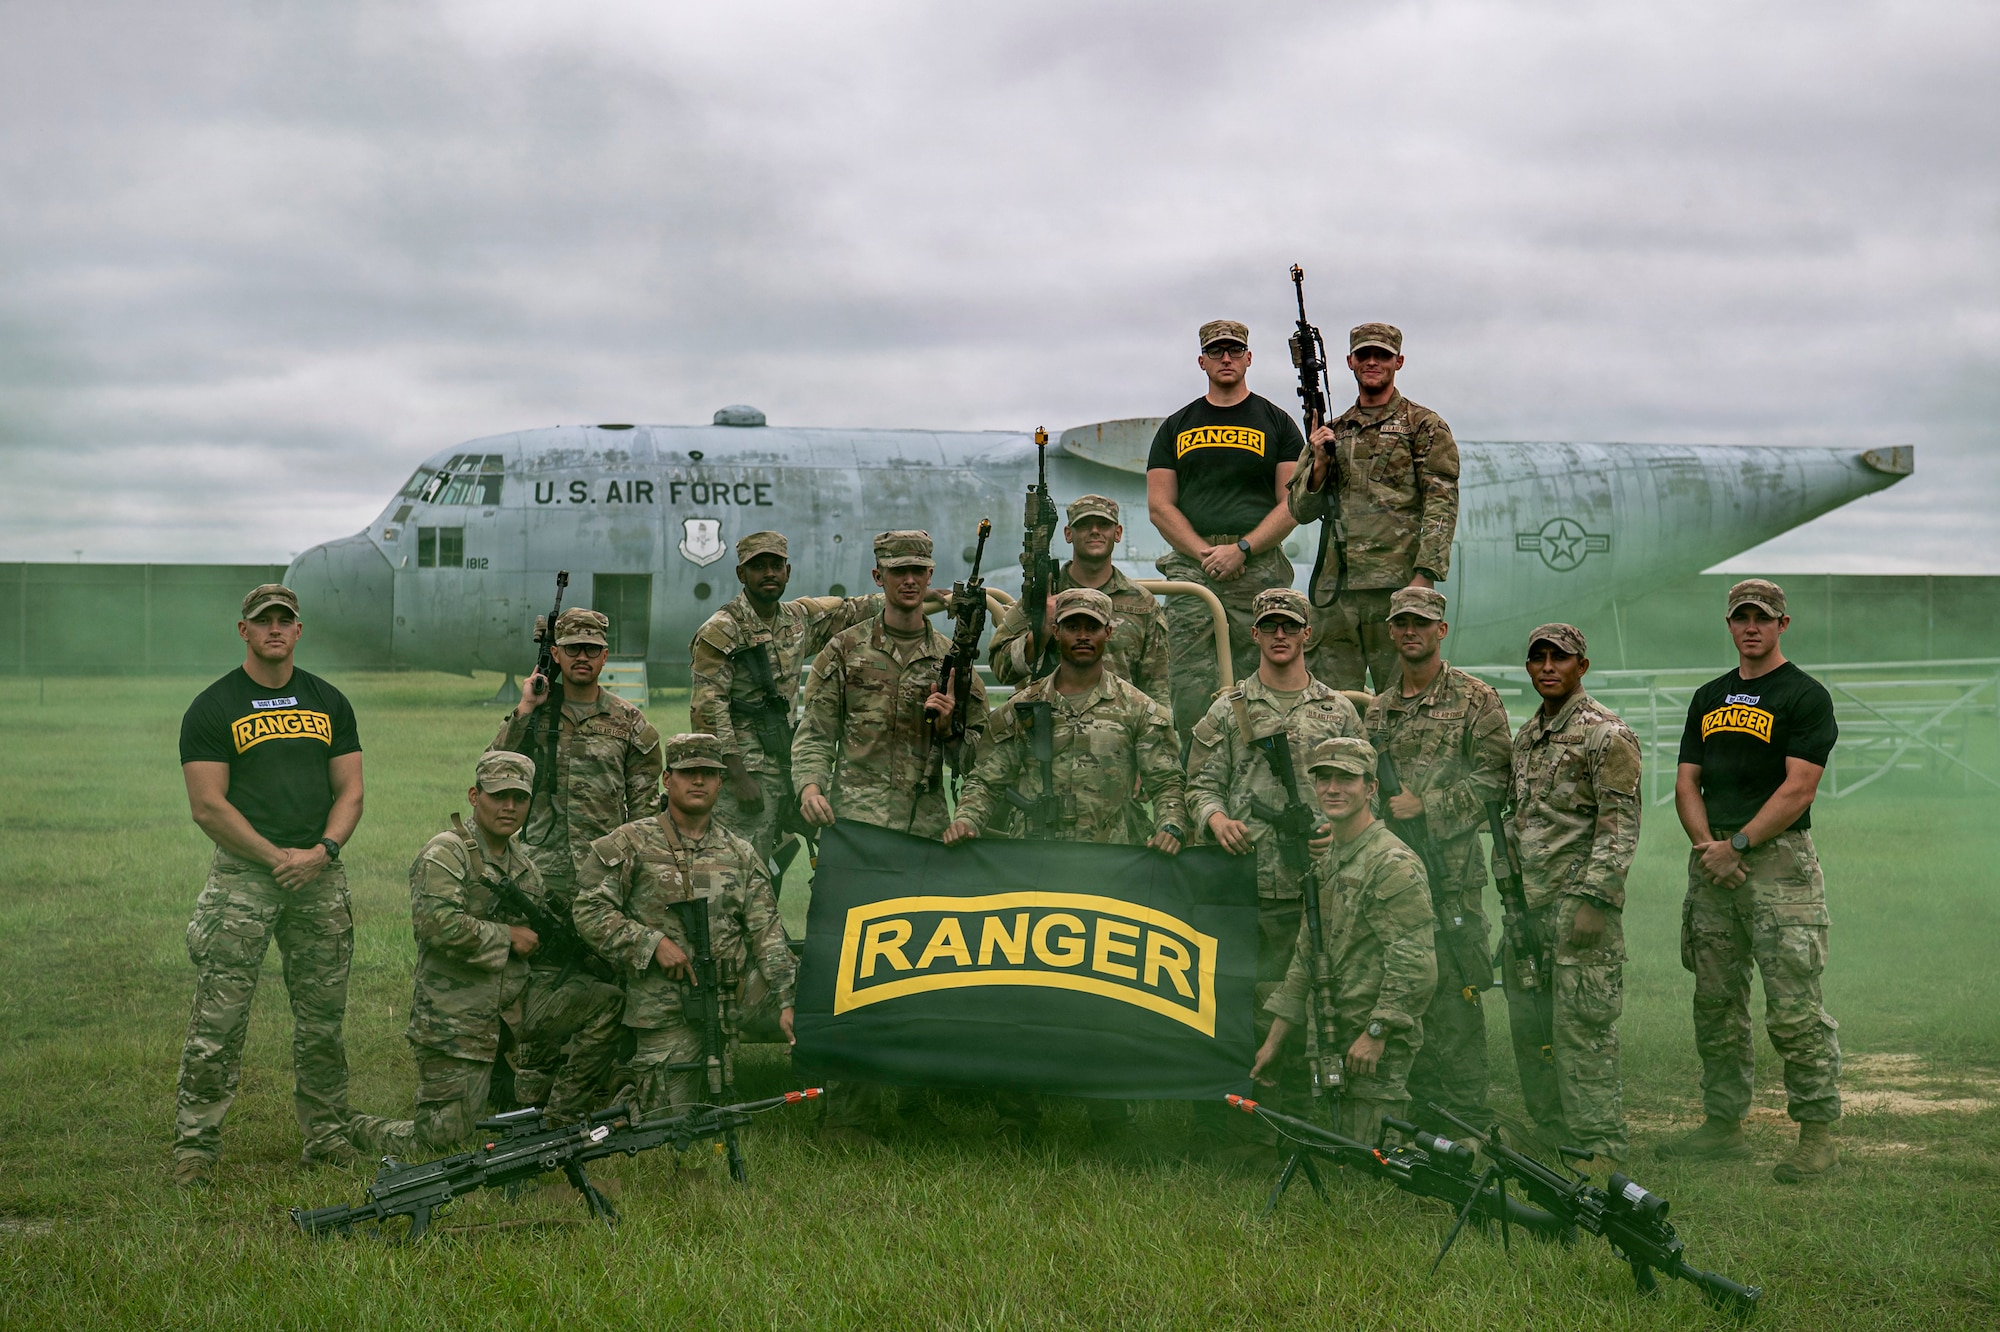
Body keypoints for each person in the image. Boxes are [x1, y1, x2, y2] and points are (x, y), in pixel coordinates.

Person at [946, 587, 1185, 1149]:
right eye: (1072, 625)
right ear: (1056, 633)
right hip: (1033, 870)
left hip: (1108, 874)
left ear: (1109, 635)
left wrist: (1171, 824)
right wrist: (968, 820)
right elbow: (987, 779)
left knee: (1106, 997)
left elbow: (1168, 784)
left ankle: (1109, 1113)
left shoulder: (1139, 710)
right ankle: (1017, 1112)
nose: (1081, 635)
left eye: (1092, 627)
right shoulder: (1023, 707)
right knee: (1025, 995)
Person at [791, 529, 988, 1145]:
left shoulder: (951, 660)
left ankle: (908, 1100)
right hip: (858, 833)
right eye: (898, 570)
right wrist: (808, 788)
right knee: (853, 970)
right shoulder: (845, 651)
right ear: (877, 577)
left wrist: (953, 726)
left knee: (919, 968)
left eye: (920, 571)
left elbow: (978, 756)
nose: (909, 580)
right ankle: (848, 1110)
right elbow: (815, 731)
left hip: (926, 834)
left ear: (931, 579)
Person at [174, 583, 364, 1187]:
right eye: (264, 621)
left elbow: (351, 791)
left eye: (285, 620)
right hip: (243, 879)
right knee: (220, 1019)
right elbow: (208, 806)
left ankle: (328, 1136)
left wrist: (322, 852)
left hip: (319, 875)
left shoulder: (329, 702)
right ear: (245, 631)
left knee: (322, 1020)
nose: (275, 629)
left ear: (298, 630)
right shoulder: (214, 706)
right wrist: (275, 858)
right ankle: (197, 1148)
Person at [345, 752, 625, 1159]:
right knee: (441, 1139)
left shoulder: (524, 866)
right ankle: (353, 1124)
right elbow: (435, 924)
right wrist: (506, 935)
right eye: (499, 796)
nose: (510, 807)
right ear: (475, 796)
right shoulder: (446, 852)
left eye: (520, 798)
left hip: (511, 1005)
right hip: (455, 1016)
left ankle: (557, 1119)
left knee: (606, 1003)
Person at [1662, 579, 1842, 1183]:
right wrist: (1708, 848)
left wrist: (1739, 844)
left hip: (1779, 865)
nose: (1751, 627)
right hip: (1712, 860)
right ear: (1730, 624)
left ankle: (1817, 1134)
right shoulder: (1708, 697)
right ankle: (1723, 1125)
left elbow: (1799, 788)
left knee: (1794, 1009)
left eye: (1761, 618)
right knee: (1715, 1004)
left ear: (1782, 624)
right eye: (1741, 617)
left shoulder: (1805, 696)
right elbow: (1687, 782)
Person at [1185, 586, 1361, 1146]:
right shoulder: (1229, 707)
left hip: (1317, 887)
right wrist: (1216, 821)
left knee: (1311, 1002)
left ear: (1307, 634)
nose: (1280, 635)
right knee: (1230, 1001)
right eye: (1270, 627)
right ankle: (1224, 1114)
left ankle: (1299, 1119)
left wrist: (1336, 831)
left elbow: (1364, 794)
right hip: (1243, 886)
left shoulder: (1338, 710)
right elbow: (1199, 785)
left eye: (1290, 626)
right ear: (1254, 635)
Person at [573, 734, 796, 1122]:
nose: (699, 781)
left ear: (720, 783)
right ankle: (627, 1082)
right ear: (667, 778)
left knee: (823, 1006)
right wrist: (650, 942)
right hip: (666, 1002)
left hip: (736, 994)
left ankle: (845, 1117)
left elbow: (768, 933)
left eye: (708, 773)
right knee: (667, 1119)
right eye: (688, 772)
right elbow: (588, 909)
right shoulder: (631, 843)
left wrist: (789, 999)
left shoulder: (740, 853)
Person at [1362, 587, 1511, 1130]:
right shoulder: (1377, 709)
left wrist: (1429, 805)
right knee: (1403, 983)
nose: (1410, 632)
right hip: (1394, 875)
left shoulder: (1476, 699)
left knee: (1456, 991)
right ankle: (1418, 1110)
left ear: (1440, 630)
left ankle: (1469, 1116)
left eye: (1420, 623)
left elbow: (1497, 780)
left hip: (1451, 875)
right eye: (1401, 623)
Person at [1502, 624, 1641, 1171]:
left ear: (1582, 665)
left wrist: (1595, 901)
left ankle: (1601, 1145)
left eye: (1560, 658)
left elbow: (1619, 827)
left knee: (1582, 1029)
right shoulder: (1527, 737)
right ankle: (1554, 1130)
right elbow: (1518, 821)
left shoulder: (1606, 735)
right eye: (1537, 658)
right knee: (1532, 1025)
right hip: (1529, 911)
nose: (1547, 667)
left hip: (1578, 909)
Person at [1252, 737, 1437, 1144]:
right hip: (1334, 1034)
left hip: (1373, 1047)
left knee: (1376, 1166)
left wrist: (1376, 1033)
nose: (1333, 789)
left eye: (1346, 779)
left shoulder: (1391, 863)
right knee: (1341, 1153)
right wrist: (1273, 1043)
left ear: (1371, 788)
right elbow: (1305, 957)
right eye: (1324, 779)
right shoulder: (1331, 859)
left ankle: (1475, 1153)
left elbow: (1416, 964)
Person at [1146, 319, 1303, 735]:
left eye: (1235, 350)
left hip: (1259, 567)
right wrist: (1203, 553)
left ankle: (1263, 773)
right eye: (1217, 351)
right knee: (1189, 680)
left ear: (1249, 358)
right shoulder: (1176, 426)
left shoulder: (1279, 423)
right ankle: (1194, 774)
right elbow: (1160, 506)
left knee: (1264, 676)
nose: (1227, 358)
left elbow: (1291, 504)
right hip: (1193, 569)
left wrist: (1244, 549)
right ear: (1202, 361)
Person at [1286, 322, 1460, 693]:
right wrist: (1319, 464)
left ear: (1398, 361)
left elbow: (1440, 505)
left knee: (1407, 699)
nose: (1372, 362)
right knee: (1331, 703)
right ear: (1350, 361)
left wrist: (1424, 577)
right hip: (1336, 595)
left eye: (1382, 355)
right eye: (1364, 355)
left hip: (1396, 589)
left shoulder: (1423, 427)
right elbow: (1299, 510)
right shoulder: (1332, 431)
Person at [688, 530, 876, 866]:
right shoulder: (721, 630)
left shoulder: (796, 619)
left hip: (789, 764)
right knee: (740, 868)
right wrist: (737, 776)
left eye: (776, 565)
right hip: (746, 774)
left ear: (787, 572)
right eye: (758, 566)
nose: (769, 573)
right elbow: (707, 711)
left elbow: (856, 610)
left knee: (840, 840)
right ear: (741, 574)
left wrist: (932, 599)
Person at [490, 608, 663, 913]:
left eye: (592, 649)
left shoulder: (630, 722)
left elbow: (643, 809)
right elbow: (492, 768)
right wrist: (526, 707)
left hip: (605, 869)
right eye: (572, 648)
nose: (582, 657)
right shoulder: (535, 716)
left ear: (604, 656)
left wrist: (636, 869)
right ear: (556, 654)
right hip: (540, 866)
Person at [986, 495, 1171, 708]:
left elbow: (1158, 688)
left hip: (1118, 732)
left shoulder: (1142, 603)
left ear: (1118, 533)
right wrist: (1042, 630)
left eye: (1103, 524)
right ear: (1068, 534)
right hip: (1052, 729)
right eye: (1083, 525)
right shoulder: (1043, 596)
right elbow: (1002, 669)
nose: (1094, 531)